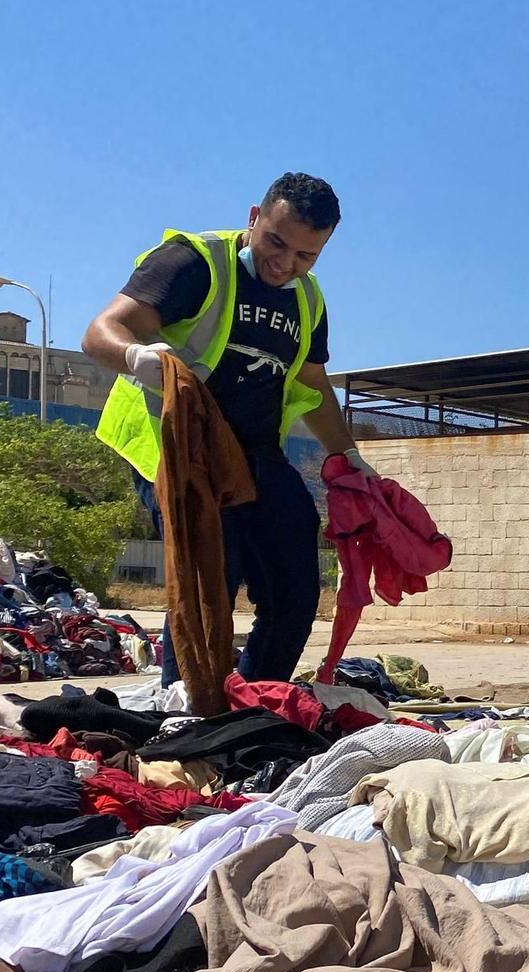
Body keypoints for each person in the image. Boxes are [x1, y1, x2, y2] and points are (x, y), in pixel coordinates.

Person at [83, 172, 369, 684]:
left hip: (255, 451)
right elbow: (101, 331)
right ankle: (189, 713)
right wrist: (136, 355)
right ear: (255, 218)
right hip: (178, 448)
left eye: (306, 256)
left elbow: (313, 384)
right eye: (276, 243)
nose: (285, 264)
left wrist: (349, 458)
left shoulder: (307, 298)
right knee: (208, 580)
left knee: (295, 586)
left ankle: (257, 698)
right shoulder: (194, 262)